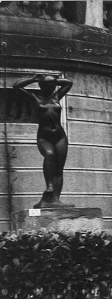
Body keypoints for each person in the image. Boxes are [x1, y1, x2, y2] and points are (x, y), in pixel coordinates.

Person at [13, 74, 73, 208]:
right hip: (44, 137)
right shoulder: (35, 98)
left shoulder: (56, 96)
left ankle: (55, 200)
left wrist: (54, 80)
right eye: (48, 86)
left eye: (53, 86)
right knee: (49, 155)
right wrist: (33, 79)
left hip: (60, 136)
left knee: (59, 169)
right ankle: (49, 186)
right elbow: (17, 86)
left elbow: (68, 83)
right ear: (42, 86)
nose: (51, 88)